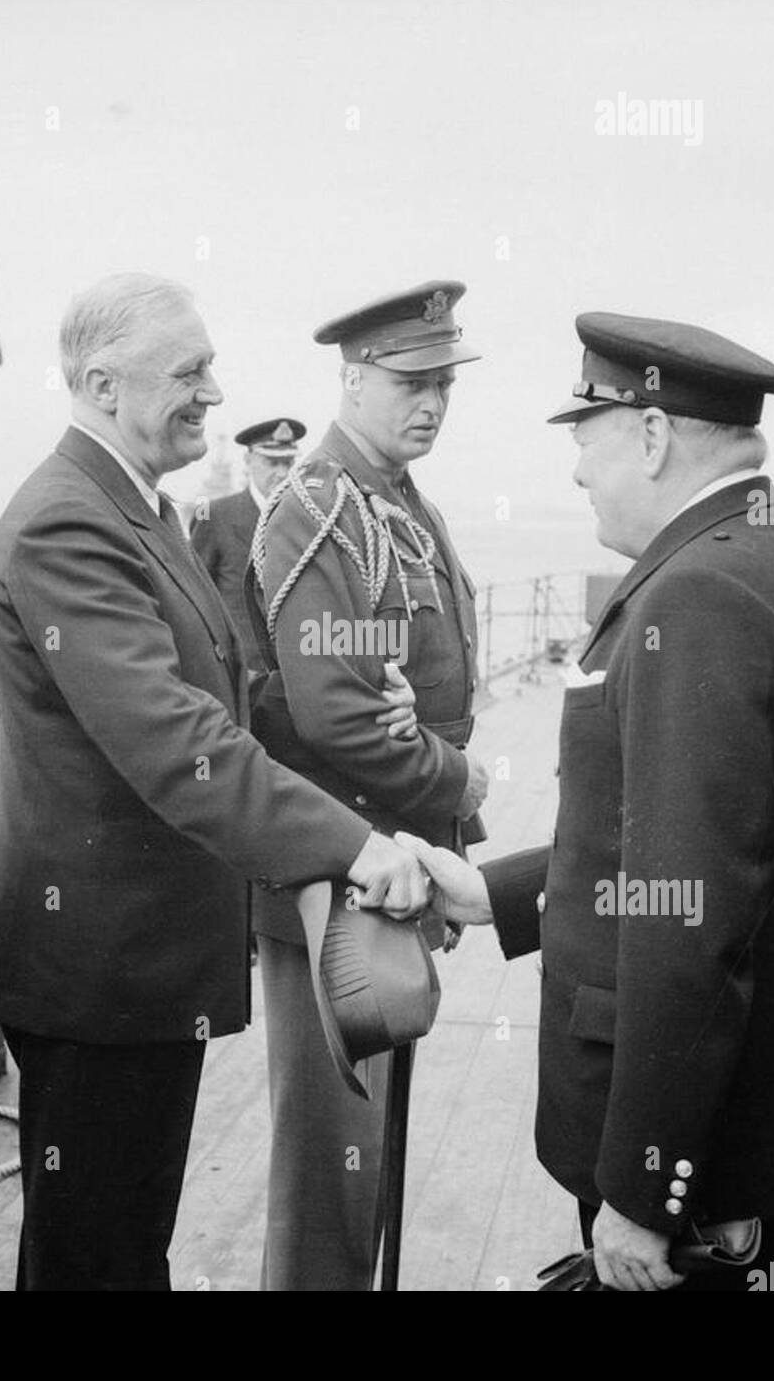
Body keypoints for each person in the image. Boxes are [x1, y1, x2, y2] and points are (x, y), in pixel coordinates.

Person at [401, 312, 774, 1292]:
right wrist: (488, 895)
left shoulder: (699, 594)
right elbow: (730, 847)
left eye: (583, 440)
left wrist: (645, 1184)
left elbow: (695, 913)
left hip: (717, 1145)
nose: (577, 473)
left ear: (652, 433)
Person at [0, 272, 428, 1291]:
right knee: (100, 1257)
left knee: (112, 1246)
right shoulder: (66, 521)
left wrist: (367, 707)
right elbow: (178, 745)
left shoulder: (139, 510)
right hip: (96, 969)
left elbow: (224, 695)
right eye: (189, 371)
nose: (215, 393)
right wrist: (358, 846)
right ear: (100, 382)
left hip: (141, 962)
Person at [248, 280, 487, 1290]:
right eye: (408, 382)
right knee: (331, 1167)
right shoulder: (318, 505)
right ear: (351, 378)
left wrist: (420, 733)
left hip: (394, 873)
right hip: (338, 883)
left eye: (442, 383)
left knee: (368, 1155)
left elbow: (398, 683)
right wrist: (459, 774)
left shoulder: (397, 501)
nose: (430, 402)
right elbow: (334, 712)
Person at [191, 418, 304, 671]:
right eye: (272, 462)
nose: (282, 473)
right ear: (249, 460)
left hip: (297, 668)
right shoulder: (212, 514)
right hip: (240, 671)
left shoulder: (306, 519)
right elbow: (196, 597)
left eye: (288, 463)